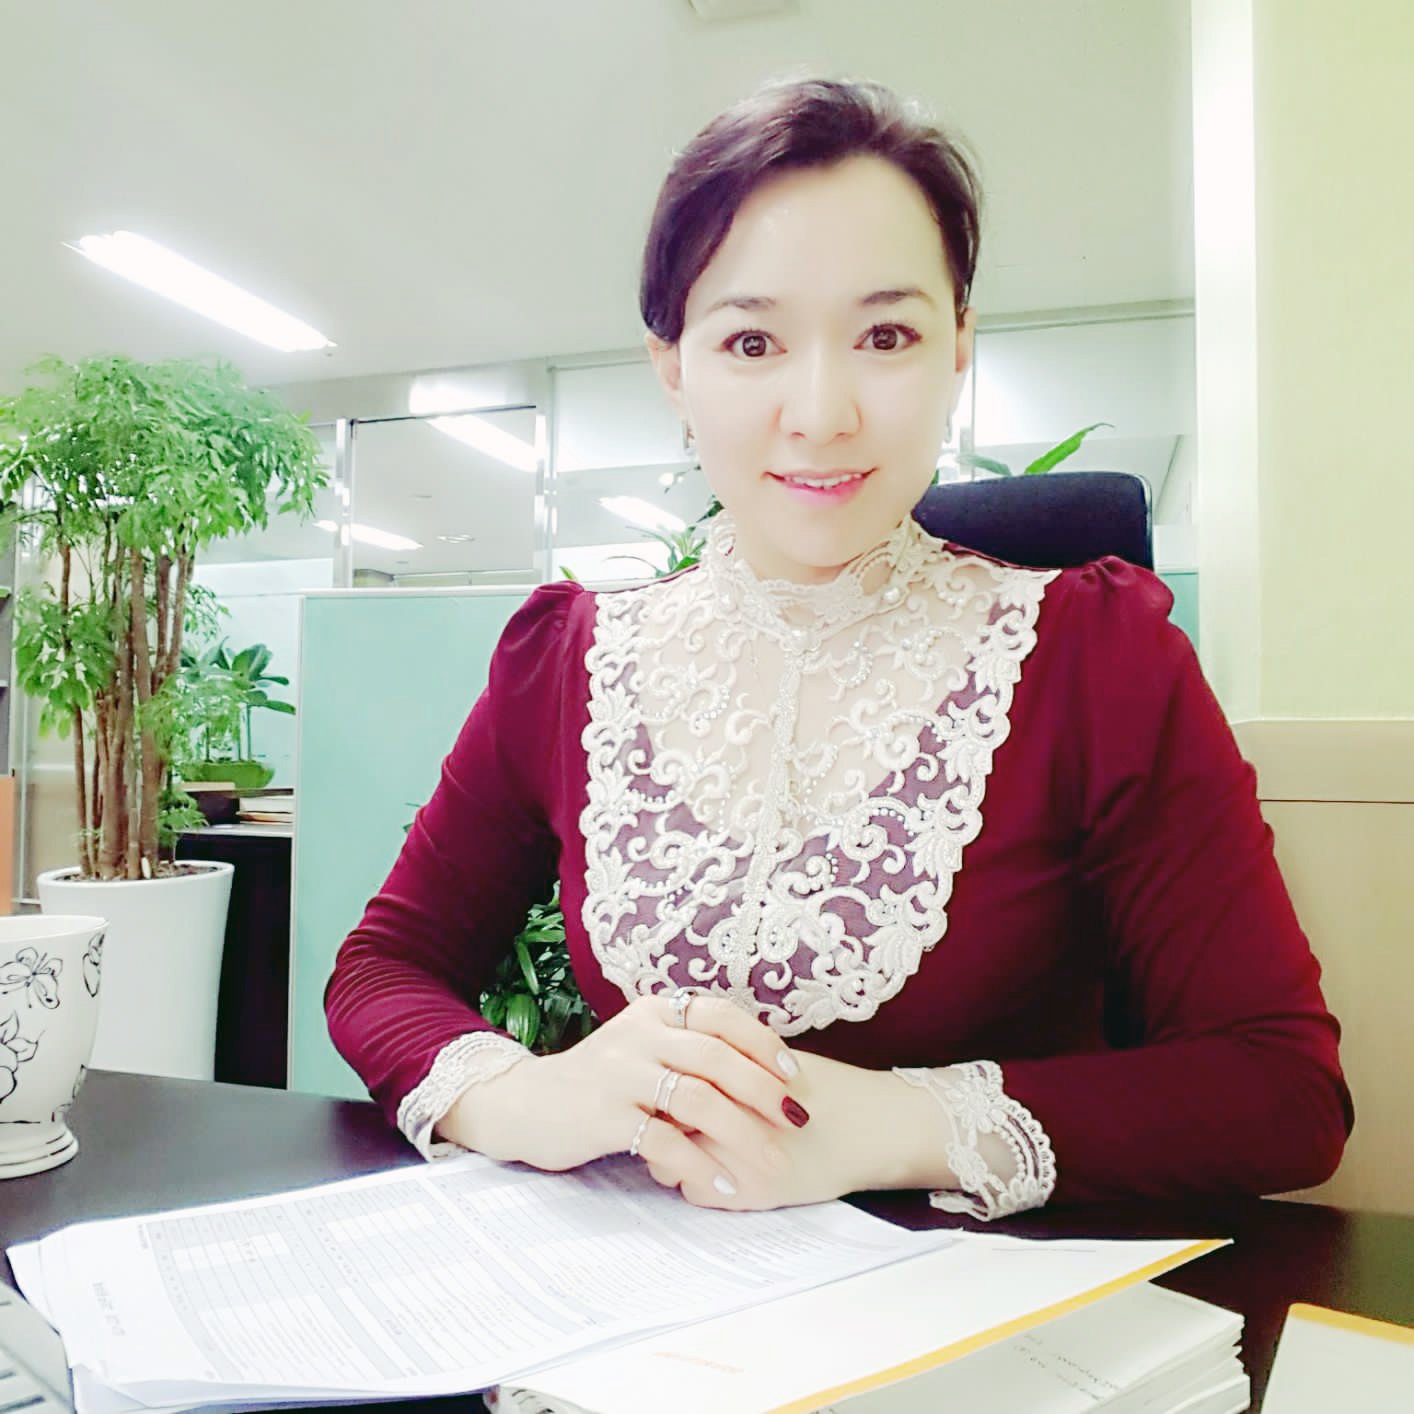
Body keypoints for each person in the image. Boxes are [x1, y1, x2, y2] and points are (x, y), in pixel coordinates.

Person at [326, 77, 1352, 1220]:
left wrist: (877, 1125)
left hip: (987, 1308)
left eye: (885, 335)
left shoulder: (1096, 658)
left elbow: (1278, 1087)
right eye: (751, 340)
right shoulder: (566, 660)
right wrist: (530, 1095)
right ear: (673, 368)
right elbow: (382, 969)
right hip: (648, 1296)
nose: (820, 413)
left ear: (957, 346)